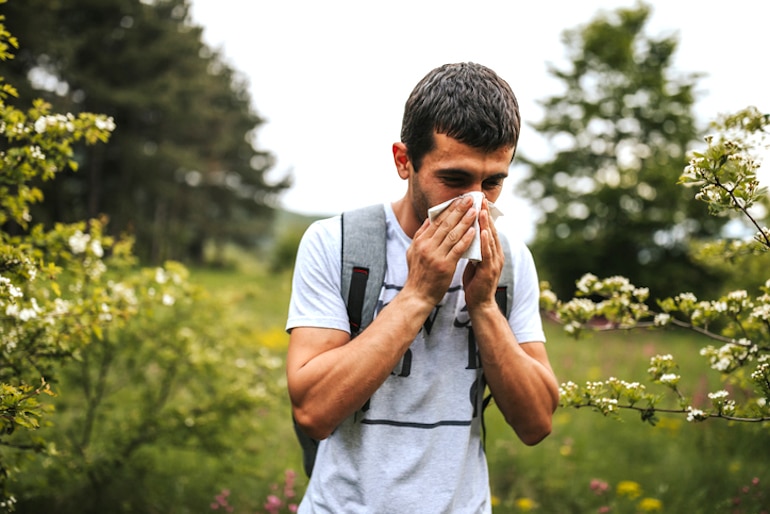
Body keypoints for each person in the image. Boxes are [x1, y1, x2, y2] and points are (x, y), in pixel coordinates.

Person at [285, 62, 559, 513]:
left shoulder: (509, 261)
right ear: (403, 160)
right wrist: (417, 295)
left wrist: (486, 307)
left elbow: (537, 423)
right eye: (454, 179)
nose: (475, 203)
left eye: (492, 183)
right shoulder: (334, 243)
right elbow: (313, 411)